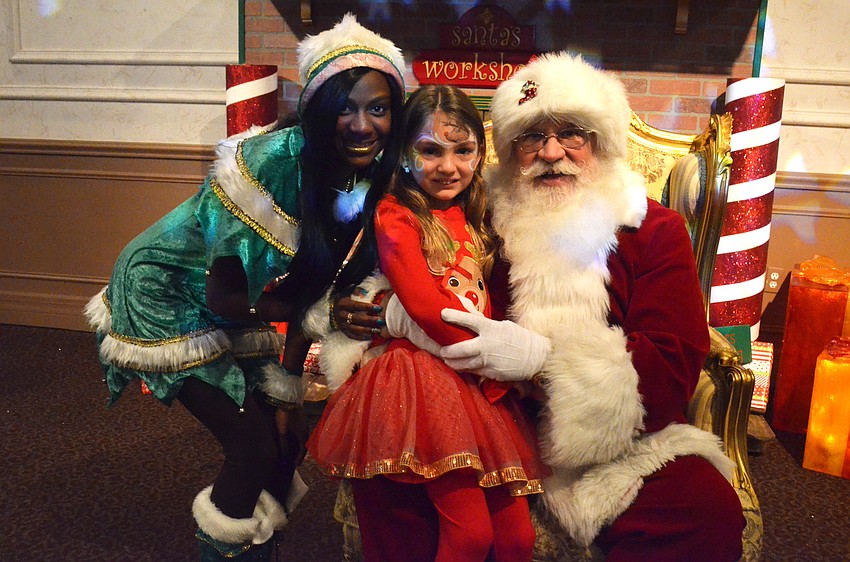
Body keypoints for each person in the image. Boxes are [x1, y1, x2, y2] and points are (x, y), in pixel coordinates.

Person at [390, 53, 747, 561]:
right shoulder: (476, 218)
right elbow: (413, 267)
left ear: (599, 143)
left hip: (621, 446)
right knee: (400, 491)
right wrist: (381, 306)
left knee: (703, 509)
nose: (551, 151)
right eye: (532, 137)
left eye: (571, 133)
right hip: (487, 423)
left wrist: (545, 364)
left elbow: (670, 367)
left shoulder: (653, 231)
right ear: (511, 152)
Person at [83, 14, 405, 561]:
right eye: (343, 108)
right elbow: (230, 299)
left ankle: (259, 549)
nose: (360, 125)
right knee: (252, 449)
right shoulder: (270, 164)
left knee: (285, 441)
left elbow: (315, 290)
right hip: (163, 291)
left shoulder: (366, 180)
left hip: (242, 302)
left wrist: (289, 395)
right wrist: (317, 317)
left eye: (377, 108)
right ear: (317, 110)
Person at [306, 85, 547, 562]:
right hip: (421, 378)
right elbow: (422, 306)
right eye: (430, 151)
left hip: (475, 379)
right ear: (404, 153)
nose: (448, 166)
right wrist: (497, 375)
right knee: (471, 535)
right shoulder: (397, 214)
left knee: (517, 539)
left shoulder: (478, 213)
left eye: (463, 151)